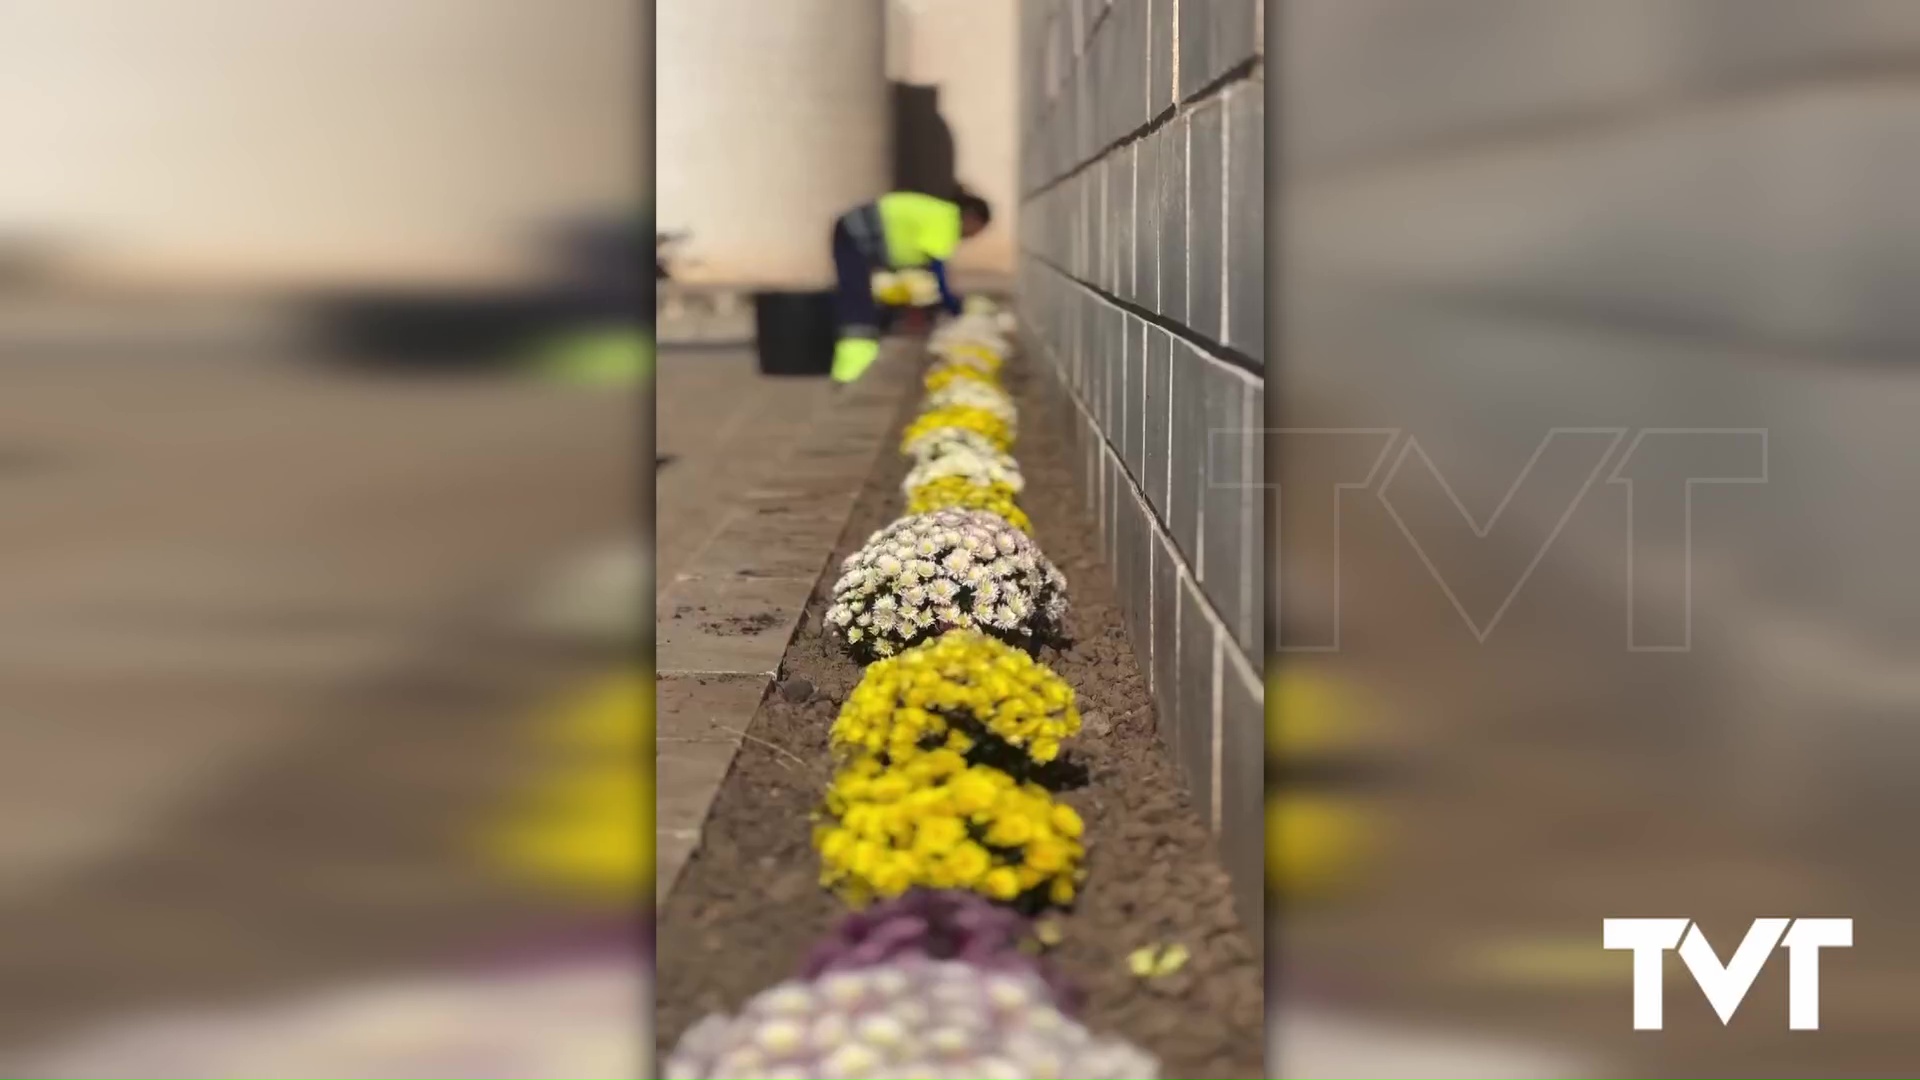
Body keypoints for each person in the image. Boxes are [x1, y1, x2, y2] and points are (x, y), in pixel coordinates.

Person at [830, 190, 991, 383]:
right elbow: (937, 271)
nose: (972, 237)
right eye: (977, 230)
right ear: (971, 218)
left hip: (860, 233)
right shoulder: (946, 220)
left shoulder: (941, 214)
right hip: (856, 233)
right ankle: (851, 371)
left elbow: (925, 273)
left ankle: (864, 354)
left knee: (872, 297)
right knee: (857, 302)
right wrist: (953, 306)